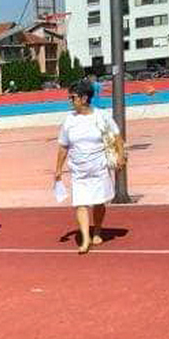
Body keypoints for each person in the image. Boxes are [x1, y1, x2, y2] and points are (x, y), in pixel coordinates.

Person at [54, 80, 127, 254]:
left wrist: (120, 156)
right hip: (78, 170)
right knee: (80, 203)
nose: (70, 101)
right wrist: (58, 169)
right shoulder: (69, 120)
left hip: (99, 167)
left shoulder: (102, 116)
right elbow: (63, 146)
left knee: (99, 202)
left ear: (84, 98)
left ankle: (97, 230)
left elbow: (116, 136)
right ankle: (85, 238)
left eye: (73, 97)